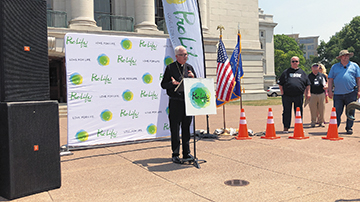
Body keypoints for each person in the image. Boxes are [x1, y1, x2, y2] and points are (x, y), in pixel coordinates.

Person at [161, 45, 196, 164]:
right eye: (183, 55)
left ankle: (187, 153)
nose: (185, 57)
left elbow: (195, 85)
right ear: (176, 56)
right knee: (175, 129)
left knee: (186, 129)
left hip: (187, 103)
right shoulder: (170, 68)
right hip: (175, 103)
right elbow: (163, 84)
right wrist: (172, 83)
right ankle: (175, 154)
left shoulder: (189, 67)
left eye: (186, 54)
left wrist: (193, 78)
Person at [328, 50, 360, 134]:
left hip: (351, 92)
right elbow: (330, 79)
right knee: (337, 112)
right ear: (340, 57)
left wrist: (359, 91)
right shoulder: (334, 67)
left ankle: (349, 127)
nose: (345, 57)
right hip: (338, 93)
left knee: (350, 111)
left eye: (347, 55)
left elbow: (358, 79)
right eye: (343, 55)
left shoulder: (354, 66)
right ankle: (335, 127)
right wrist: (330, 90)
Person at [278, 56, 311, 132]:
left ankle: (299, 127)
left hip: (298, 95)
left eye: (296, 61)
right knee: (286, 111)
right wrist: (282, 92)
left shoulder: (302, 72)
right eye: (293, 61)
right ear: (291, 63)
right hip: (287, 96)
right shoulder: (286, 72)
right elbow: (280, 83)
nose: (294, 63)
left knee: (298, 111)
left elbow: (307, 84)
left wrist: (308, 93)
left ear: (298, 62)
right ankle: (286, 127)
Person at [308, 63, 327, 127]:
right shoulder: (309, 76)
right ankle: (313, 122)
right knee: (313, 109)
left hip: (321, 94)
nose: (315, 67)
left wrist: (326, 86)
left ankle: (321, 122)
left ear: (319, 68)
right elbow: (307, 86)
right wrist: (307, 94)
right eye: (314, 66)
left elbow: (326, 82)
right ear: (312, 68)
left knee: (321, 109)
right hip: (312, 94)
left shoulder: (322, 75)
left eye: (317, 66)